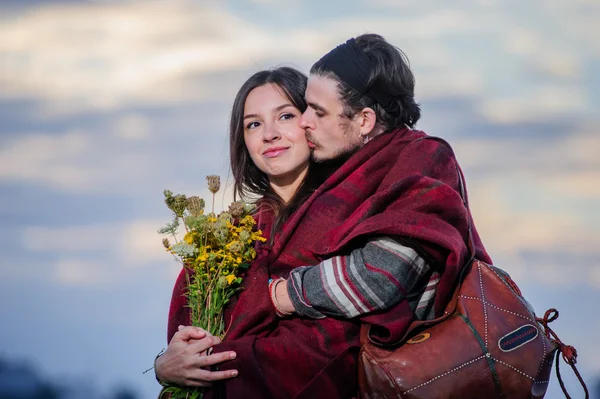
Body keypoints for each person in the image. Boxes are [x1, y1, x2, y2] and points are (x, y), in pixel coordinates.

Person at [156, 34, 492, 398]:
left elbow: (374, 289)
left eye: (290, 114)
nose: (271, 134)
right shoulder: (227, 236)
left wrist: (276, 297)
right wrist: (165, 365)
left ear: (360, 120)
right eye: (252, 124)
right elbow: (189, 335)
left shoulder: (362, 199)